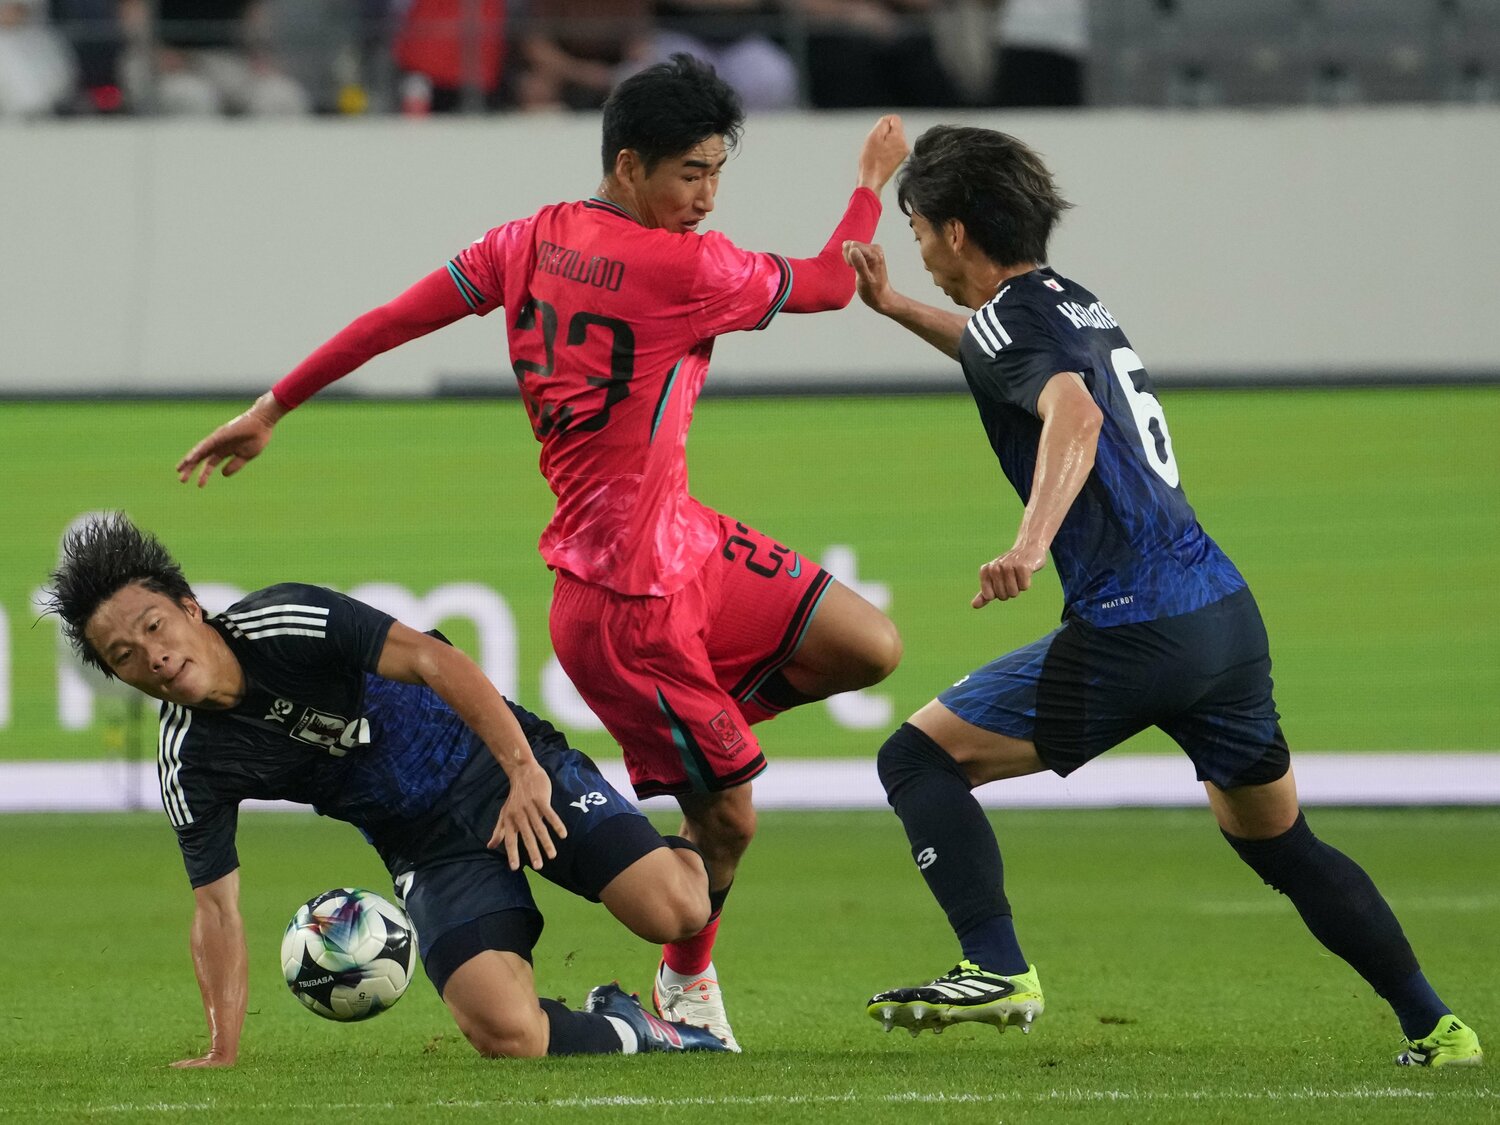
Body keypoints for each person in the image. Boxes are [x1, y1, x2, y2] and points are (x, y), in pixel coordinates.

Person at [174, 55, 908, 1052]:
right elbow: (827, 285)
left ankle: (690, 747)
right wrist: (869, 187)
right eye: (690, 174)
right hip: (625, 601)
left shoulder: (530, 239)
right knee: (728, 824)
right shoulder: (687, 270)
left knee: (871, 648)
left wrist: (275, 404)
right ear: (627, 163)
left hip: (689, 540)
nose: (707, 197)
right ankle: (687, 985)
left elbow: (396, 318)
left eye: (718, 173)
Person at [840, 125, 1483, 1068]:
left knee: (916, 760)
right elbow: (1010, 360)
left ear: (957, 230)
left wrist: (1030, 541)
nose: (922, 253)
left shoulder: (1019, 321)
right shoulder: (1070, 301)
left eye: (920, 235)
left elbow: (1076, 411)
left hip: (1136, 627)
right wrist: (895, 305)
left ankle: (996, 965)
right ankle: (1438, 1025)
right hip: (1222, 618)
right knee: (1280, 842)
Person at [41, 512, 730, 1064]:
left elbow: (437, 658)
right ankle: (640, 1028)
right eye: (123, 655)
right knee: (508, 1035)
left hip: (498, 766)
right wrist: (222, 1048)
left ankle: (714, 830)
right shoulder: (188, 761)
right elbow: (216, 909)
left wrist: (524, 770)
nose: (152, 655)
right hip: (427, 849)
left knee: (674, 909)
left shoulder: (285, 623)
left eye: (153, 626)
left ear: (190, 609)